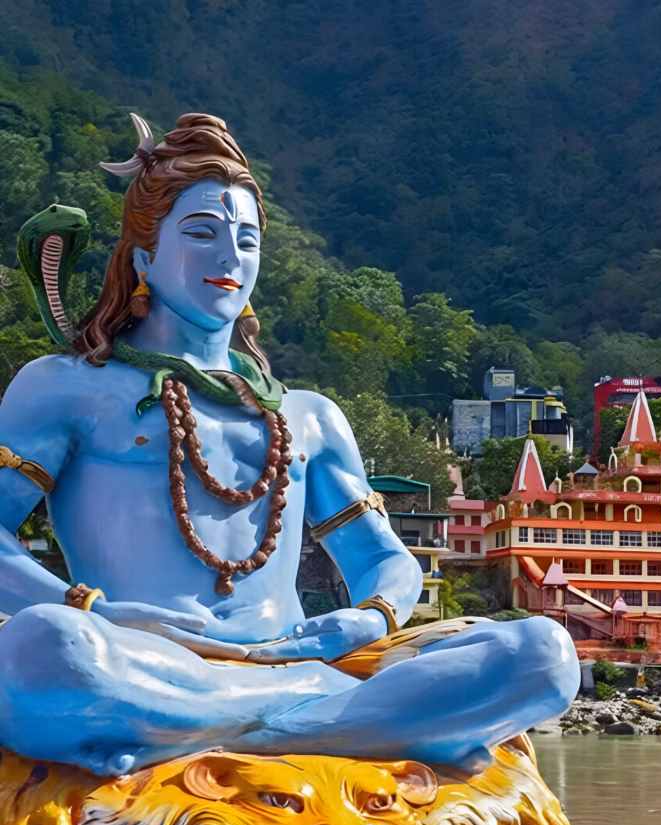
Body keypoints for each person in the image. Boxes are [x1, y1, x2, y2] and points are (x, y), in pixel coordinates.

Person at [0, 113, 579, 778]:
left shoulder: (308, 417)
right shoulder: (68, 387)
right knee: (43, 650)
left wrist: (368, 621)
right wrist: (93, 610)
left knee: (545, 655)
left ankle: (241, 734)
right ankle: (341, 730)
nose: (229, 259)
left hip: (301, 665)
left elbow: (385, 562)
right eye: (202, 233)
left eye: (246, 240)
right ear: (142, 257)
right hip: (142, 659)